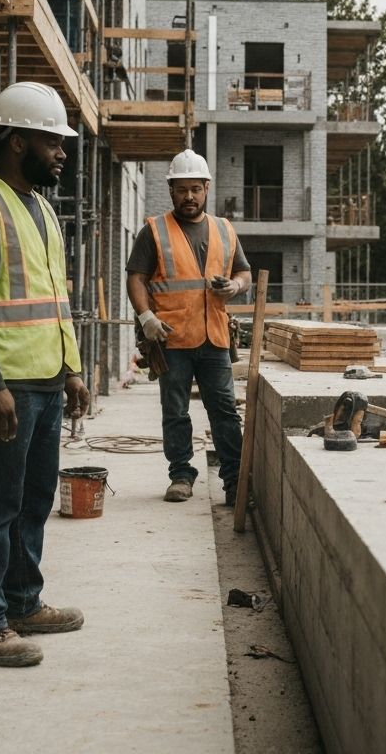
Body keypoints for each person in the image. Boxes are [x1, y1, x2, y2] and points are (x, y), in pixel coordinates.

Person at [0, 81, 90, 668]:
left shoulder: (42, 208)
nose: (62, 153)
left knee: (34, 497)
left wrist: (74, 371)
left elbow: (56, 300)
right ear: (15, 142)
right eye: (52, 142)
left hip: (46, 381)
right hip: (3, 386)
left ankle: (22, 602)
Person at [125, 150, 251, 506]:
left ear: (207, 188)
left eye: (195, 189)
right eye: (182, 190)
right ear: (171, 189)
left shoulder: (225, 230)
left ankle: (234, 481)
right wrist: (146, 318)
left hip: (214, 337)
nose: (189, 196)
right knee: (175, 411)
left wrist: (235, 287)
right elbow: (136, 278)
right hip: (171, 337)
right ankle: (181, 474)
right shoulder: (154, 230)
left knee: (224, 410)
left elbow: (244, 273)